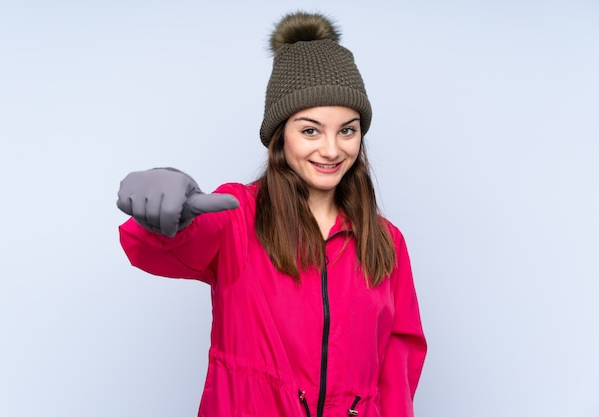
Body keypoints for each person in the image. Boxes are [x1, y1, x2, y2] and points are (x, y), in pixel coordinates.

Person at [117, 11, 426, 417]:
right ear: (281, 135)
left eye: (347, 130)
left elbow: (398, 364)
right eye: (310, 130)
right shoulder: (238, 215)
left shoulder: (386, 241)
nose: (332, 150)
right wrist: (164, 215)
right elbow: (164, 248)